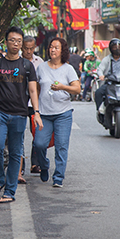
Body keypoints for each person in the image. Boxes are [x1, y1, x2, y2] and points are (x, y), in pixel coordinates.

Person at [0, 27, 42, 204]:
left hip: (20, 115)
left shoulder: (27, 66)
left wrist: (36, 112)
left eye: (19, 41)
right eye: (13, 40)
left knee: (15, 154)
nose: (16, 44)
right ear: (6, 42)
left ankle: (10, 191)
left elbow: (33, 90)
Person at [32, 37, 81, 188]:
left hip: (63, 113)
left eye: (56, 47)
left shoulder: (68, 69)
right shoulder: (41, 68)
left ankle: (58, 177)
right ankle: (44, 165)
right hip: (45, 114)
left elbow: (77, 89)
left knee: (61, 146)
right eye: (51, 47)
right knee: (39, 144)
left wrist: (62, 87)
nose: (53, 50)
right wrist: (37, 110)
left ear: (62, 51)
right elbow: (37, 89)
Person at [20, 36, 45, 180]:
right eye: (26, 48)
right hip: (20, 104)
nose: (28, 51)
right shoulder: (16, 61)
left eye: (31, 48)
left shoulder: (39, 62)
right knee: (19, 135)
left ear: (34, 47)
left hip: (35, 105)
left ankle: (35, 163)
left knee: (38, 134)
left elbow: (41, 83)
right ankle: (20, 167)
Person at [94, 38, 120, 116]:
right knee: (98, 93)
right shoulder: (106, 59)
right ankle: (100, 111)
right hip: (110, 83)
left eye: (119, 47)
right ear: (111, 48)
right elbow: (100, 69)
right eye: (114, 47)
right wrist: (101, 75)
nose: (117, 49)